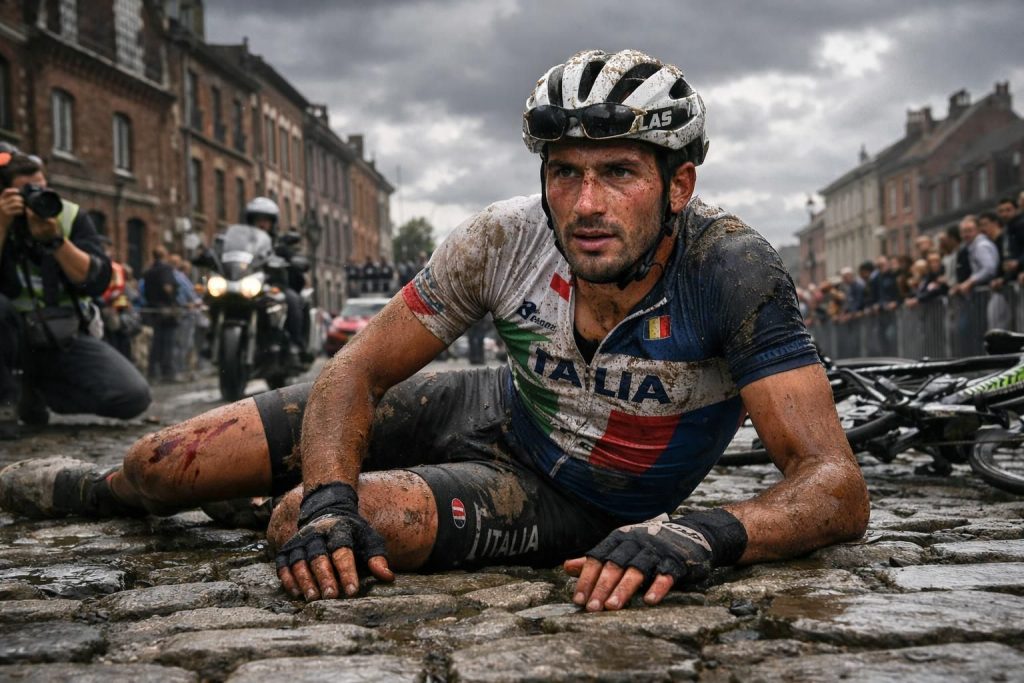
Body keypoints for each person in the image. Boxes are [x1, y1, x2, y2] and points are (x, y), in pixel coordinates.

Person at [0, 50, 868, 611]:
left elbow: (834, 483)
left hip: (568, 495)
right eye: (564, 173)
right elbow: (356, 371)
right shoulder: (501, 238)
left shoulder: (733, 269)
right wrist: (338, 491)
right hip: (479, 403)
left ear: (678, 187)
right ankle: (99, 488)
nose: (587, 204)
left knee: (298, 522)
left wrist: (704, 529)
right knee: (164, 461)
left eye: (619, 174)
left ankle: (275, 497)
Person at [0, 152, 150, 439]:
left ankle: (35, 393)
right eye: (25, 191)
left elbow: (95, 281)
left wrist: (55, 240)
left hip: (62, 337)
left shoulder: (65, 215)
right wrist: (2, 225)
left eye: (41, 188)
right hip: (10, 340)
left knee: (132, 396)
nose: (36, 197)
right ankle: (5, 400)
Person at [245, 197, 305, 365]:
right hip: (248, 286)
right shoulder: (244, 244)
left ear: (272, 223)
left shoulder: (278, 244)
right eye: (258, 219)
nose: (262, 224)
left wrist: (294, 260)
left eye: (265, 220)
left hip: (274, 286)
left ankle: (294, 343)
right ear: (251, 221)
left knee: (292, 299)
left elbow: (292, 257)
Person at [141, 245, 180, 383]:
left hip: (153, 310)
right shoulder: (165, 269)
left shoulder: (149, 271)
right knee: (168, 343)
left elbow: (144, 291)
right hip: (166, 311)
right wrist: (173, 303)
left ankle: (153, 372)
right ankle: (167, 373)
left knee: (155, 343)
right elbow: (167, 287)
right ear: (165, 255)